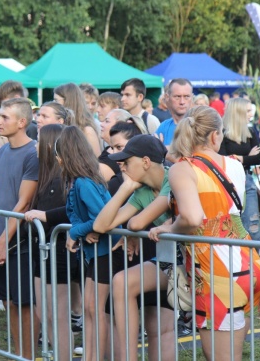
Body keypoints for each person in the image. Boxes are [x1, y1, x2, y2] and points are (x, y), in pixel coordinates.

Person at [149, 106, 260, 361]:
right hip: (245, 260)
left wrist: (169, 228)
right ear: (215, 135)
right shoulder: (233, 164)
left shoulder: (184, 168)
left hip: (215, 268)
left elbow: (192, 217)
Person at [93, 134, 176, 361]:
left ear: (146, 162)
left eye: (127, 162)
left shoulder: (173, 178)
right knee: (121, 281)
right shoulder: (141, 190)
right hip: (172, 260)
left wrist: (131, 227)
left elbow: (137, 223)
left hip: (203, 260)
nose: (122, 167)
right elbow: (101, 225)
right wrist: (125, 188)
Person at [56, 126, 117, 361]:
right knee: (90, 308)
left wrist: (77, 231)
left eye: (58, 155)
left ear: (66, 155)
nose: (57, 160)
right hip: (95, 252)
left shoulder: (84, 182)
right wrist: (84, 231)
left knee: (95, 309)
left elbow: (102, 218)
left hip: (105, 252)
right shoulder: (78, 181)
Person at [0, 98, 38, 359]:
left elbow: (23, 202)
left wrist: (3, 240)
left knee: (24, 302)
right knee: (7, 300)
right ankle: (19, 354)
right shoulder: (1, 152)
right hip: (0, 238)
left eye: (5, 117)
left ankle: (29, 355)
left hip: (22, 240)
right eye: (0, 116)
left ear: (22, 122)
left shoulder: (33, 154)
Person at [23, 124, 76, 361]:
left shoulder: (62, 179)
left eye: (38, 140)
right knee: (44, 312)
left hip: (59, 252)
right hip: (43, 251)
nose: (35, 145)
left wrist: (43, 216)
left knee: (57, 315)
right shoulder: (47, 176)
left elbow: (69, 211)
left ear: (48, 145)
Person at [219, 98, 260, 240]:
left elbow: (259, 157)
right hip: (227, 183)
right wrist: (247, 157)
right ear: (238, 112)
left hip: (246, 180)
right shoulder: (221, 133)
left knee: (253, 226)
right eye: (248, 111)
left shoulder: (250, 132)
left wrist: (241, 158)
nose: (251, 114)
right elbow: (223, 159)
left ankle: (253, 254)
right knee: (230, 227)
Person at [53, 83, 102, 156]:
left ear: (68, 101)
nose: (53, 104)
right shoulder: (59, 125)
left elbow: (97, 159)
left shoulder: (87, 130)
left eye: (56, 100)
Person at [155, 78, 194, 147]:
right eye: (177, 97)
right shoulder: (163, 127)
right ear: (167, 97)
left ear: (192, 97)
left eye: (186, 96)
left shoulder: (200, 126)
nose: (182, 102)